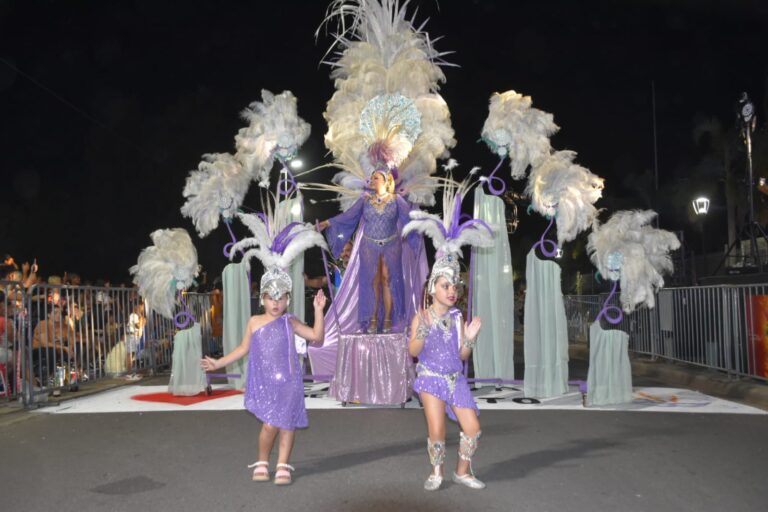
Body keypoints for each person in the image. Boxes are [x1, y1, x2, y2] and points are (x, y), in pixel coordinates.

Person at [202, 205, 328, 485]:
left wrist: (319, 310)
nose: (275, 302)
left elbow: (316, 337)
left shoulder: (290, 321)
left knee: (287, 424)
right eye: (270, 297)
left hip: (290, 381)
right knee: (269, 424)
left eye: (281, 297)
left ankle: (282, 464)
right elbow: (242, 349)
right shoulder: (255, 322)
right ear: (262, 298)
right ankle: (262, 460)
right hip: (266, 382)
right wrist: (218, 364)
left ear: (287, 300)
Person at [409, 261, 485, 491]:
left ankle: (461, 472)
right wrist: (422, 330)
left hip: (455, 378)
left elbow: (462, 354)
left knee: (473, 428)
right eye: (445, 286)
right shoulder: (422, 317)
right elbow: (413, 351)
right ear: (433, 289)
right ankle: (436, 471)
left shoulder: (457, 317)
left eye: (454, 286)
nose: (452, 291)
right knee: (437, 430)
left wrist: (470, 338)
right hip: (430, 378)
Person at [318, 170, 419, 333]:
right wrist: (327, 223)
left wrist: (424, 227)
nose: (372, 180)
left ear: (386, 181)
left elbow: (409, 219)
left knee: (387, 280)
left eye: (376, 178)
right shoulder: (365, 200)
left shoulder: (396, 200)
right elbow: (349, 216)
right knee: (373, 281)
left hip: (391, 245)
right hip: (368, 245)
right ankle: (372, 319)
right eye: (371, 178)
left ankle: (387, 319)